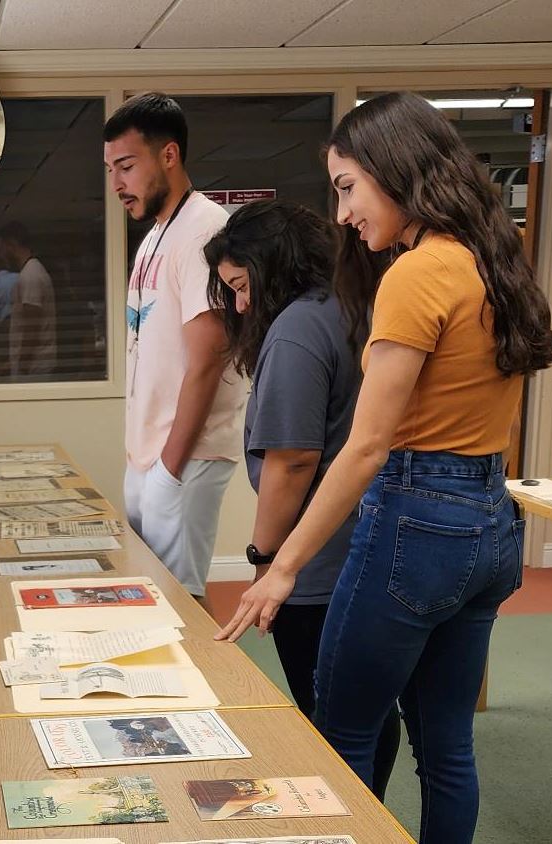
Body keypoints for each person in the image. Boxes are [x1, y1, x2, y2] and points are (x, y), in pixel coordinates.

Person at [216, 92, 552, 844]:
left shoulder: (416, 273)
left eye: (347, 188)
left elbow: (367, 448)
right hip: (489, 518)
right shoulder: (492, 262)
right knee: (447, 746)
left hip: (415, 517)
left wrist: (281, 568)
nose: (341, 214)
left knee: (338, 739)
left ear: (394, 169)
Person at [202, 199, 401, 800]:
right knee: (370, 709)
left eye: (241, 287)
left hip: (317, 561)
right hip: (368, 542)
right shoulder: (350, 306)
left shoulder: (294, 330)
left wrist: (265, 558)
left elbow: (292, 460)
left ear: (272, 269)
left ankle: (350, 822)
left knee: (333, 716)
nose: (239, 305)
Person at [103, 91, 245, 600]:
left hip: (184, 455)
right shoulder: (154, 237)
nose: (117, 183)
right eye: (110, 169)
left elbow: (208, 360)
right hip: (149, 455)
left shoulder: (206, 230)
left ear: (169, 155)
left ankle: (224, 683)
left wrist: (169, 465)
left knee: (181, 600)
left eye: (126, 166)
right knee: (150, 594)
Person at [0, 221, 56, 377]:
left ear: (12, 245)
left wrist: (22, 365)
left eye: (2, 248)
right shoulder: (31, 271)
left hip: (34, 367)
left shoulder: (31, 275)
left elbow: (32, 325)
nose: (1, 255)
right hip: (33, 364)